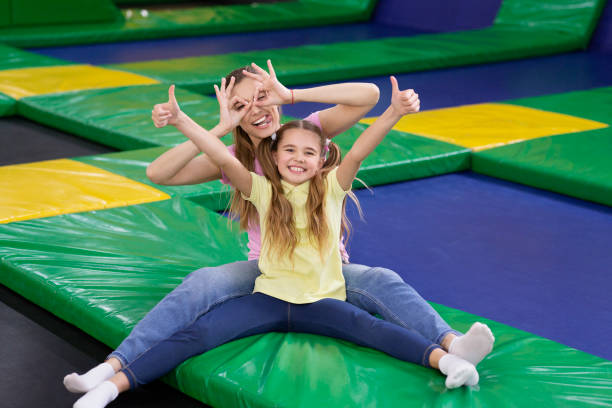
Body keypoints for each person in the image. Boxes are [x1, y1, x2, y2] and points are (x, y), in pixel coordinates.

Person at [64, 61, 494, 402]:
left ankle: (453, 344)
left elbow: (370, 96)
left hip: (326, 268)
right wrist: (219, 125)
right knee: (203, 283)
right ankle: (113, 365)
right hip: (265, 269)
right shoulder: (231, 156)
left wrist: (290, 93)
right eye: (243, 105)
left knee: (382, 280)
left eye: (261, 97)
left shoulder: (304, 134)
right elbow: (160, 172)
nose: (257, 108)